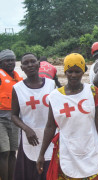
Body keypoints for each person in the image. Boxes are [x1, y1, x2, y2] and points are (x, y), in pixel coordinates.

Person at [36, 53, 98, 179]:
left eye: (77, 71)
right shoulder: (55, 97)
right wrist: (41, 154)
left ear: (83, 72)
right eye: (70, 71)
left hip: (91, 148)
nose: (73, 75)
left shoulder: (93, 92)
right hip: (66, 150)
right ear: (65, 71)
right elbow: (50, 127)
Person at [11, 53, 56, 180]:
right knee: (29, 173)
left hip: (50, 136)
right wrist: (26, 129)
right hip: (29, 138)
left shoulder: (51, 85)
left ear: (39, 64)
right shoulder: (17, 88)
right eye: (26, 63)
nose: (30, 65)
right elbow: (13, 115)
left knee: (49, 172)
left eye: (32, 61)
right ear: (22, 68)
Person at [0, 49, 23, 180]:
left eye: (12, 60)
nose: (10, 62)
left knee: (12, 152)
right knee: (4, 152)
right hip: (1, 119)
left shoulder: (18, 78)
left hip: (14, 118)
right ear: (1, 62)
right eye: (7, 60)